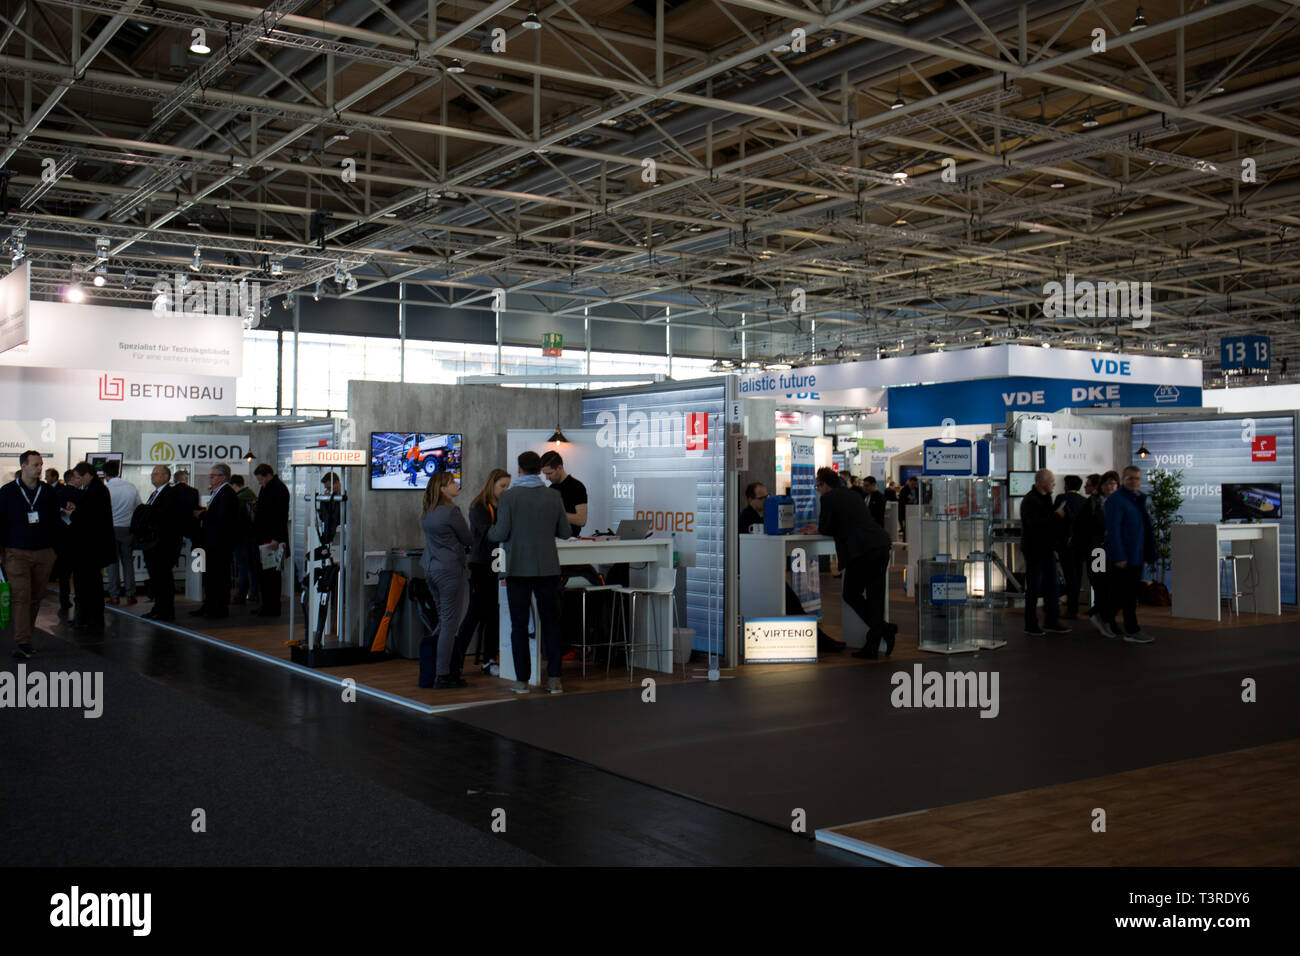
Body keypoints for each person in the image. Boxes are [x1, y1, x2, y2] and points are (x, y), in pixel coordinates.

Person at [489, 450, 572, 694]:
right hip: (547, 568)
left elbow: (501, 533)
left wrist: (488, 532)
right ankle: (555, 679)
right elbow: (566, 533)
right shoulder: (553, 496)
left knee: (519, 625)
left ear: (519, 469)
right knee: (551, 624)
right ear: (539, 470)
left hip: (517, 569)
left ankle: (522, 680)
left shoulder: (509, 497)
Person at [805, 466, 896, 660]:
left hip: (861, 552)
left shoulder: (828, 498)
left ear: (825, 484)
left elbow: (828, 527)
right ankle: (875, 641)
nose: (818, 489)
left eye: (818, 485)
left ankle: (884, 630)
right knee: (875, 597)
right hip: (880, 545)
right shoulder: (854, 494)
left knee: (851, 594)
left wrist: (817, 529)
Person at [0, 451, 64, 658]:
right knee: (21, 597)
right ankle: (23, 641)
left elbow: (56, 521)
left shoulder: (47, 492)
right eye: (36, 465)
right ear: (24, 466)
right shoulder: (7, 492)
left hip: (44, 552)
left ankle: (26, 637)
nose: (39, 469)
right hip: (17, 552)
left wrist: (55, 549)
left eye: (41, 465)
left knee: (36, 597)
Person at [420, 472, 473, 688]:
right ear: (443, 488)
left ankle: (435, 669)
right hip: (450, 570)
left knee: (443, 621)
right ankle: (442, 675)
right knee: (450, 624)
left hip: (431, 568)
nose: (456, 484)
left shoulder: (427, 512)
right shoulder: (452, 512)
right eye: (452, 482)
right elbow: (468, 538)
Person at [457, 468, 510, 675]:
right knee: (475, 614)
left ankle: (489, 659)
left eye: (507, 486)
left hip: (498, 565)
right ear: (492, 485)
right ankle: (457, 659)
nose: (505, 490)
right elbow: (491, 534)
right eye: (502, 486)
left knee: (494, 615)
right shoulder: (478, 507)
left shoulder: (504, 506)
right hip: (481, 566)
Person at [1104, 465, 1157, 644]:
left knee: (1125, 593)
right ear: (1123, 480)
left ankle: (1103, 616)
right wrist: (1119, 556)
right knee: (1127, 595)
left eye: (1137, 478)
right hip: (1124, 556)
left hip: (1136, 554)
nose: (1134, 481)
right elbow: (1114, 530)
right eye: (1130, 478)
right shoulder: (1116, 501)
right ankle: (1131, 629)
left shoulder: (1137, 500)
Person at [1020, 468, 1071, 637]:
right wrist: (1056, 517)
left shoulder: (1046, 498)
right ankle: (1031, 623)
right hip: (1034, 550)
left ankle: (1051, 621)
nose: (1054, 484)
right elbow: (1036, 525)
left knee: (1052, 587)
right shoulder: (1030, 501)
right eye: (1051, 481)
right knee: (1034, 588)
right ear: (1041, 482)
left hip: (1047, 549)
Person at [65, 461, 115, 633]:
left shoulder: (98, 491)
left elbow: (91, 518)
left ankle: (90, 619)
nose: (77, 482)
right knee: (85, 584)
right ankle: (85, 617)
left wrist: (74, 514)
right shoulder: (93, 490)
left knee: (89, 585)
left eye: (79, 478)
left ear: (87, 475)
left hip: (90, 549)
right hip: (88, 548)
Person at [191, 463, 238, 619]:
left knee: (219, 577)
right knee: (211, 576)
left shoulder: (226, 493)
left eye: (213, 475)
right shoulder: (218, 493)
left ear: (222, 477)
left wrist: (203, 515)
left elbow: (222, 516)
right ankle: (210, 605)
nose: (210, 478)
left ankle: (218, 608)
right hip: (212, 542)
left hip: (220, 544)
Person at [139, 465, 184, 622]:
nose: (153, 476)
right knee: (156, 578)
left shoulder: (169, 494)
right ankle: (158, 608)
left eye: (156, 474)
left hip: (163, 544)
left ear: (166, 477)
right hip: (153, 543)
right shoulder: (155, 494)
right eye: (152, 474)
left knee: (163, 578)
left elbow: (167, 518)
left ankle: (166, 611)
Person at [252, 463, 290, 617]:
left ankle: (272, 606)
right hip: (265, 537)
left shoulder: (278, 489)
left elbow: (280, 515)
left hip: (272, 540)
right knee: (265, 574)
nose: (259, 482)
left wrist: (276, 538)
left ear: (267, 475)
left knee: (272, 576)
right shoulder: (268, 488)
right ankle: (266, 604)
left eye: (260, 479)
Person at [102, 459, 142, 606]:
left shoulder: (106, 489)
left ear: (105, 474)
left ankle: (114, 595)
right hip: (128, 529)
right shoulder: (131, 487)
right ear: (118, 471)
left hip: (111, 529)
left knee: (112, 563)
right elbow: (139, 507)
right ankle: (131, 594)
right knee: (128, 562)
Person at [1087, 471, 1118, 638]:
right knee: (1101, 585)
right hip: (1097, 550)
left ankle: (1104, 616)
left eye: (1113, 483)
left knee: (1113, 586)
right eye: (1107, 484)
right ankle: (1104, 618)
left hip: (1113, 550)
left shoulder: (1118, 503)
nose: (1110, 487)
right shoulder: (1094, 503)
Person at [1053, 475, 1088, 619]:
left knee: (1069, 576)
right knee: (1077, 575)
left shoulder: (1062, 498)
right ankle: (1074, 607)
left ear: (1066, 485)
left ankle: (1071, 609)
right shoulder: (1084, 501)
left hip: (1065, 544)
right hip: (1081, 544)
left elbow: (1055, 519)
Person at [539, 450, 587, 539]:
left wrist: (557, 514)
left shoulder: (577, 487)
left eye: (550, 473)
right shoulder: (551, 489)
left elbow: (582, 520)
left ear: (560, 468)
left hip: (570, 541)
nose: (547, 478)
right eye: (545, 474)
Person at [229, 475, 260, 607]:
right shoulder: (251, 494)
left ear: (234, 485)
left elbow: (235, 518)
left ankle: (241, 594)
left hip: (241, 538)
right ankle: (253, 593)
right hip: (252, 537)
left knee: (242, 568)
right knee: (251, 568)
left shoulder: (239, 498)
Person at [53, 469, 80, 610]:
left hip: (61, 538)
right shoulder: (81, 495)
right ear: (72, 479)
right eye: (77, 477)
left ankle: (64, 599)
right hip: (77, 537)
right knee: (78, 571)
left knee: (64, 573)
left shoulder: (57, 494)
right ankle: (78, 598)